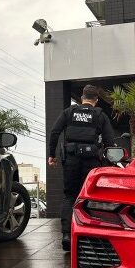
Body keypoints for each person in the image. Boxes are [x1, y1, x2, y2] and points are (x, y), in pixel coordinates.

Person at [48, 84, 116, 251]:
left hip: (71, 159)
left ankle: (66, 235)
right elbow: (109, 141)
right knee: (89, 197)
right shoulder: (100, 115)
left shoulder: (69, 112)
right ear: (96, 100)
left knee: (69, 196)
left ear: (82, 97)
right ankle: (88, 236)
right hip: (91, 161)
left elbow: (55, 132)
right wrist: (111, 163)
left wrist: (52, 155)